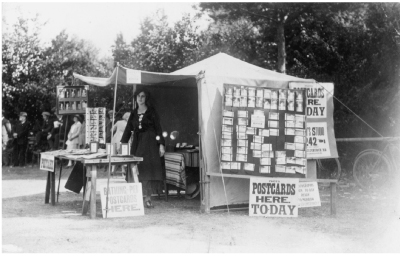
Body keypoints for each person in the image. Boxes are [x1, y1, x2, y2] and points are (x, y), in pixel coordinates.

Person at [121, 89, 165, 208]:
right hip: (137, 143)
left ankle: (148, 198)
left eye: (143, 96)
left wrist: (161, 144)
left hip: (150, 143)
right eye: (138, 96)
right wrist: (123, 145)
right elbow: (128, 130)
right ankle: (136, 197)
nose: (140, 99)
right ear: (135, 98)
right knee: (136, 168)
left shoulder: (151, 112)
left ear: (146, 98)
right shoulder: (134, 113)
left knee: (148, 170)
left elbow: (158, 129)